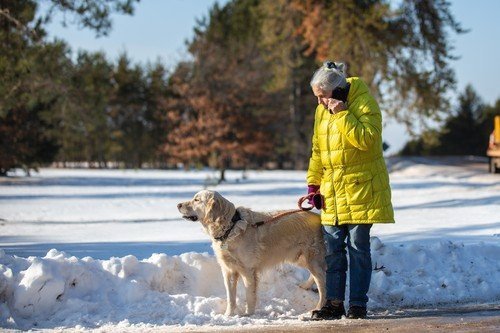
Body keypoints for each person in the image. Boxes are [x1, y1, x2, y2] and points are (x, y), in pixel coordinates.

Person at [306, 61, 395, 320]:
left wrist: (343, 113)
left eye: (322, 96)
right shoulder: (321, 112)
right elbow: (318, 150)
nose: (320, 102)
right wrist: (314, 183)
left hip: (361, 190)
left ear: (337, 90)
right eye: (317, 97)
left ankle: (357, 304)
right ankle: (334, 304)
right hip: (332, 191)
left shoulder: (364, 103)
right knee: (333, 250)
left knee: (358, 248)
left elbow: (367, 141)